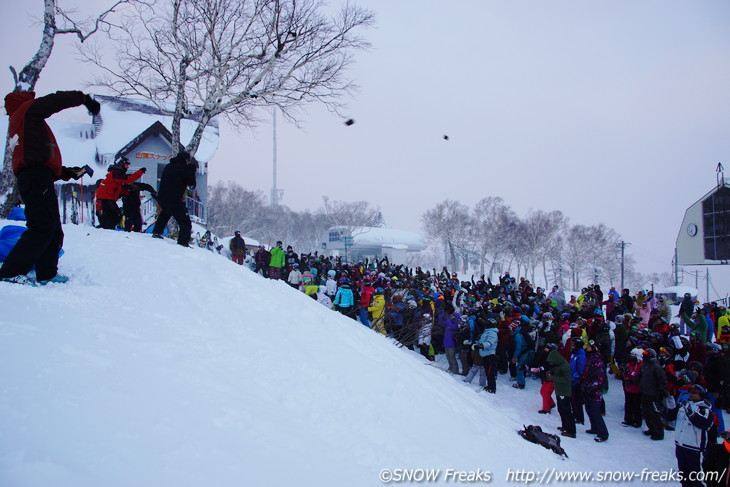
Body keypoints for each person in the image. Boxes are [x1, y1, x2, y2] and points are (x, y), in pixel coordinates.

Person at [0, 90, 100, 285]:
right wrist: (83, 99)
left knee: (53, 229)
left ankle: (47, 273)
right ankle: (11, 272)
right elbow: (53, 101)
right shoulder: (26, 111)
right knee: (42, 227)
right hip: (36, 177)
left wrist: (66, 172)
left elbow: (35, 156)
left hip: (38, 176)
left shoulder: (22, 124)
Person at [151, 151, 197, 247]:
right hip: (175, 199)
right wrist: (192, 170)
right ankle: (183, 243)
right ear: (186, 159)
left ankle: (157, 232)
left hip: (163, 197)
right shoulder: (183, 168)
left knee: (166, 213)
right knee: (185, 222)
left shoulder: (169, 166)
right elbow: (191, 182)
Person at [674, 384, 715, 487]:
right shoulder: (683, 405)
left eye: (694, 392)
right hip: (680, 445)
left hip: (694, 448)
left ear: (701, 395)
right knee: (683, 474)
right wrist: (662, 410)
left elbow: (703, 424)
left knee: (695, 478)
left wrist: (691, 414)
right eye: (690, 392)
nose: (691, 394)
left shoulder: (705, 409)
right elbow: (671, 415)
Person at [95, 157, 146, 230]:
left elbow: (118, 188)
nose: (128, 167)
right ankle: (105, 229)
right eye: (126, 165)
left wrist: (127, 192)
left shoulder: (116, 173)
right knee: (115, 215)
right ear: (121, 164)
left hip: (105, 197)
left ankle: (105, 228)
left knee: (113, 215)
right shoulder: (116, 173)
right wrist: (140, 172)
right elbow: (128, 179)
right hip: (105, 198)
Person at [582, 340, 609, 442]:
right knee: (589, 410)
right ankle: (594, 428)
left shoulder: (598, 361)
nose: (587, 347)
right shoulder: (590, 358)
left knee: (595, 412)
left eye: (589, 346)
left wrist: (589, 387)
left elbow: (599, 379)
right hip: (588, 389)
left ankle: (603, 433)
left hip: (595, 391)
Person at [640, 348, 668, 441]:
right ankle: (651, 428)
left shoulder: (655, 366)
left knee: (654, 413)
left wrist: (661, 392)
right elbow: (641, 376)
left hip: (653, 393)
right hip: (645, 392)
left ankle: (659, 432)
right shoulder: (645, 365)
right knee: (646, 412)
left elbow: (662, 380)